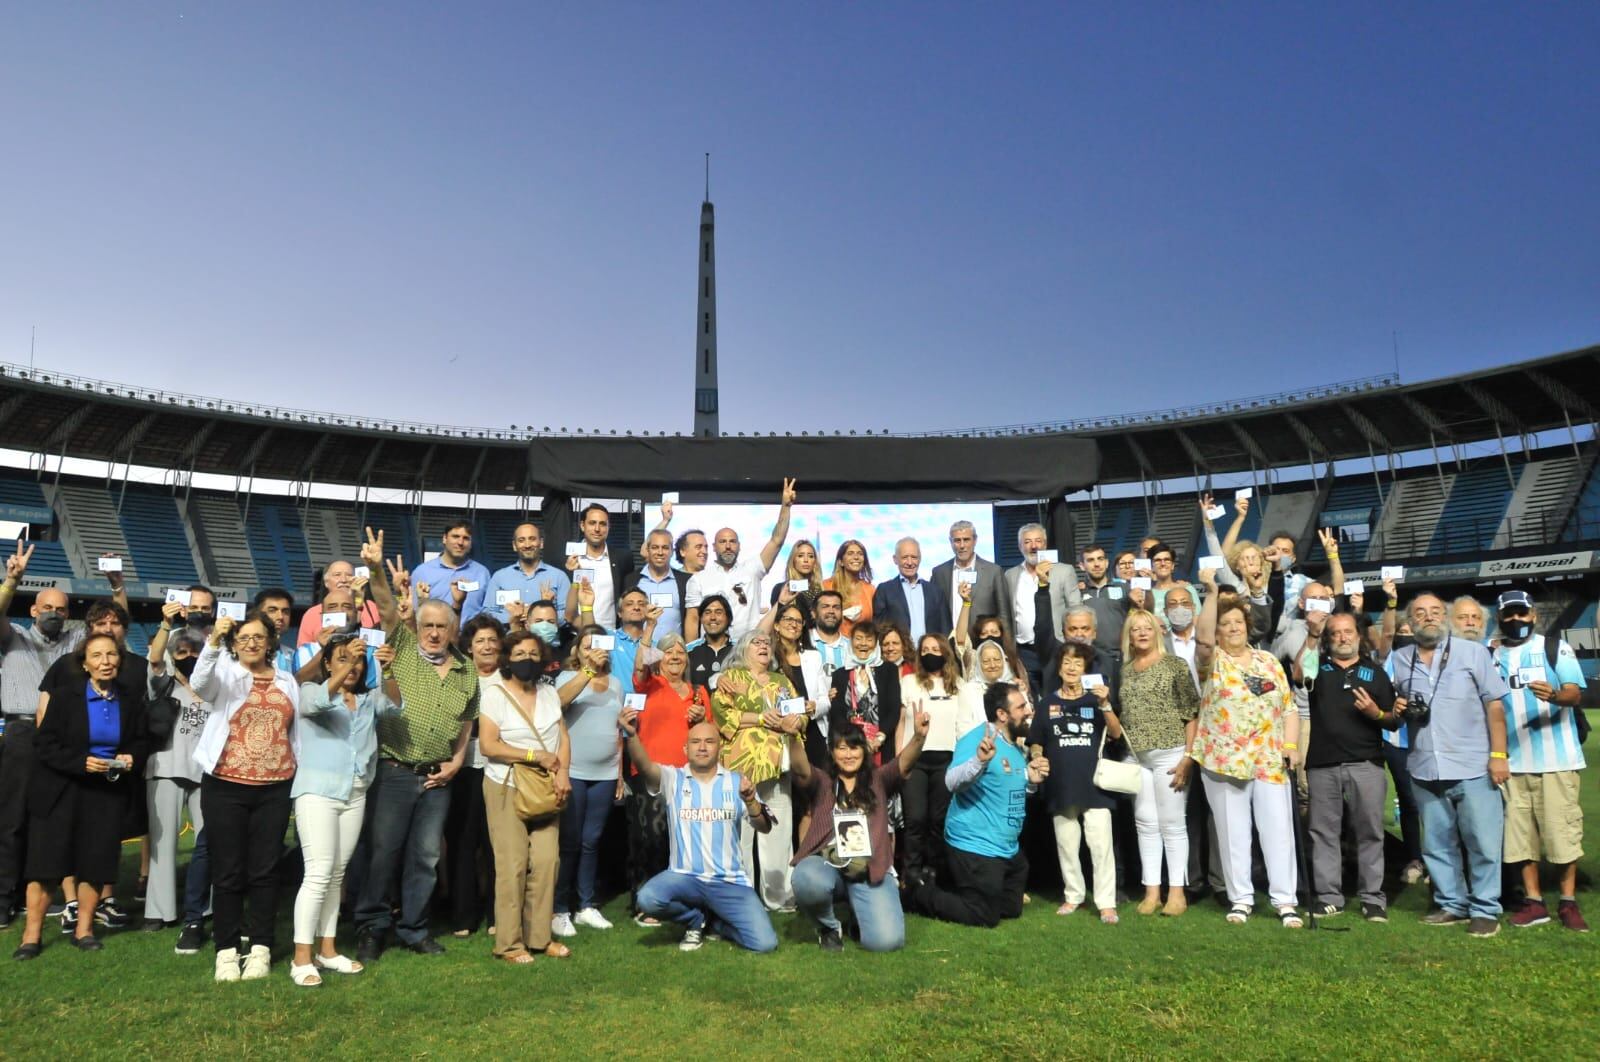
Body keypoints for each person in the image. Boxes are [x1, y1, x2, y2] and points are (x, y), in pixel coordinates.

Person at [354, 528, 479, 962]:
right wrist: (375, 568)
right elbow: (387, 606)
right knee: (384, 853)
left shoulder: (467, 669)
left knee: (425, 858)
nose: (433, 632)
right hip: (395, 772)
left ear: (452, 629)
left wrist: (458, 761)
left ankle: (414, 928)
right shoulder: (403, 647)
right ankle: (373, 925)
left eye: (441, 626)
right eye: (427, 625)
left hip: (437, 777)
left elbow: (467, 721)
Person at [11, 633, 149, 959]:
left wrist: (131, 756)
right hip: (62, 790)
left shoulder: (130, 699)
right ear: (85, 663)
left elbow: (142, 740)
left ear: (120, 659)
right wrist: (80, 762)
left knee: (95, 864)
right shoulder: (64, 697)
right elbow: (45, 745)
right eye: (97, 656)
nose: (106, 661)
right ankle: (31, 936)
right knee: (46, 866)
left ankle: (84, 930)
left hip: (106, 794)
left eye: (111, 655)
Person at [1389, 592, 1511, 937]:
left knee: (1483, 843)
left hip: (1473, 764)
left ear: (1444, 616)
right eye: (1420, 613)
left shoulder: (1473, 653)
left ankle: (1485, 909)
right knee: (1437, 845)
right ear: (1410, 623)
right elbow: (1397, 707)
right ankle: (1452, 904)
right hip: (1425, 766)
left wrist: (1498, 755)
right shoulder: (1400, 659)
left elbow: (1495, 707)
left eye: (1435, 611)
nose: (1428, 617)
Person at [1190, 567, 1302, 928]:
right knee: (1232, 832)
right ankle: (1241, 900)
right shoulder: (1212, 661)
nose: (1233, 628)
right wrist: (1210, 593)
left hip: (1269, 759)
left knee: (1278, 831)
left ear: (1247, 625)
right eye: (1227, 624)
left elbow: (1289, 707)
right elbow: (1203, 638)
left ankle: (1285, 900)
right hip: (1224, 761)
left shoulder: (1268, 661)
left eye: (1238, 622)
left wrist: (1291, 744)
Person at [191, 610, 300, 980]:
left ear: (270, 641)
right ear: (233, 644)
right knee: (228, 870)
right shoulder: (225, 674)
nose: (251, 643)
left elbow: (293, 732)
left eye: (258, 637)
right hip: (225, 785)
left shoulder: (287, 680)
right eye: (243, 638)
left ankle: (260, 947)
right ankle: (226, 949)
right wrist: (212, 644)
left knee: (265, 871)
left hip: (274, 787)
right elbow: (200, 685)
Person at [289, 635, 400, 986]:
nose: (351, 665)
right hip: (318, 793)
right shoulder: (310, 690)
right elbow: (316, 703)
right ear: (326, 664)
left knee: (338, 874)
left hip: (355, 793)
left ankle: (328, 950)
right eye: (341, 659)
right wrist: (349, 660)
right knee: (319, 873)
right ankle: (301, 958)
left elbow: (396, 705)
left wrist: (391, 669)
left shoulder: (369, 700)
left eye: (356, 660)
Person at [0, 540, 95, 929]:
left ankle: (40, 893)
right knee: (12, 818)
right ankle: (4, 897)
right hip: (21, 732)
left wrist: (118, 588)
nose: (55, 614)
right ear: (33, 610)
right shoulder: (13, 637)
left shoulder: (76, 642)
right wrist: (11, 582)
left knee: (52, 819)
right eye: (48, 609)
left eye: (62, 609)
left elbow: (113, 631)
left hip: (62, 738)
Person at [625, 713, 779, 953]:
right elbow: (645, 767)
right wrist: (632, 736)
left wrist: (751, 802)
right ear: (686, 748)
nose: (702, 747)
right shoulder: (673, 779)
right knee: (647, 899)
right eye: (696, 742)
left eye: (709, 741)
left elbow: (764, 827)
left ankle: (715, 923)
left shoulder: (737, 782)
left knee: (765, 944)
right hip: (684, 877)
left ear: (720, 747)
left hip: (729, 881)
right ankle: (694, 919)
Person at [906, 682, 1049, 926]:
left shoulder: (1014, 747)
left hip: (1007, 850)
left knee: (1010, 909)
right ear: (1002, 715)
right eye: (1022, 706)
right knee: (983, 915)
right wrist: (979, 761)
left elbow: (1006, 791)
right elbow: (951, 782)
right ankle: (916, 894)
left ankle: (953, 885)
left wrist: (1031, 782)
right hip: (974, 845)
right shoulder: (976, 739)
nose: (1028, 711)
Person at [790, 709, 931, 952]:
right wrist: (791, 737)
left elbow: (904, 763)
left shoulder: (879, 779)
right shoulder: (823, 782)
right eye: (841, 748)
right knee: (805, 878)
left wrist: (919, 736)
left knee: (886, 942)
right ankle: (829, 928)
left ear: (863, 750)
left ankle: (860, 916)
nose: (848, 754)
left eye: (854, 748)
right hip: (829, 865)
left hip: (869, 868)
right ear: (832, 753)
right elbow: (802, 769)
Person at [1491, 590, 1587, 931]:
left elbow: (1576, 692)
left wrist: (1557, 695)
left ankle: (1568, 901)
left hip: (1556, 760)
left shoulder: (1553, 647)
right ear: (1500, 618)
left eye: (1522, 613)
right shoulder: (1493, 655)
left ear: (1533, 616)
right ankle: (1534, 902)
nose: (1516, 619)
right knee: (1521, 840)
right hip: (1512, 764)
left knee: (1562, 836)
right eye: (1509, 614)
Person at [478, 630, 573, 963]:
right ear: (507, 658)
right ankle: (508, 944)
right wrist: (535, 756)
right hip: (506, 784)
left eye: (533, 654)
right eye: (519, 654)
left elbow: (562, 738)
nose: (527, 660)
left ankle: (539, 938)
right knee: (512, 865)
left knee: (548, 862)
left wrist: (562, 772)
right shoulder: (494, 694)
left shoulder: (549, 693)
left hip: (546, 787)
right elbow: (488, 745)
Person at [1301, 611, 1399, 923]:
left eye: (1347, 632)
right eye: (1336, 633)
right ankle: (1330, 897)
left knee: (1370, 832)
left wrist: (1375, 713)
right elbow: (1298, 672)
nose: (1342, 638)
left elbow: (1393, 720)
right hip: (1322, 764)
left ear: (1358, 636)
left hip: (1365, 763)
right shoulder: (1319, 669)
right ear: (1329, 639)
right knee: (1323, 833)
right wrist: (1313, 634)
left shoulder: (1375, 673)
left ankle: (1373, 899)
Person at [1029, 643, 1122, 923]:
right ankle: (1073, 896)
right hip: (1061, 785)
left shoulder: (1096, 701)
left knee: (1101, 845)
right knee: (1067, 845)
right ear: (1059, 668)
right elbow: (1036, 740)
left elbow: (1116, 733)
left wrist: (1105, 704)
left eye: (1077, 664)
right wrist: (1037, 758)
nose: (1071, 668)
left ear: (1086, 670)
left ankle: (1106, 902)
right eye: (1066, 662)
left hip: (1095, 785)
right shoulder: (1047, 703)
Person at [1116, 608, 1200, 916]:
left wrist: (1188, 757)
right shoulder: (1124, 671)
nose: (1141, 633)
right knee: (1146, 824)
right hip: (1136, 757)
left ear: (1157, 632)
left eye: (1146, 628)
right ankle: (1152, 892)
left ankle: (1176, 893)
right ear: (1129, 635)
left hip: (1171, 752)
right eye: (1135, 629)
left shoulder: (1175, 665)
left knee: (1173, 824)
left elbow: (1191, 713)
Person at [710, 630, 801, 911]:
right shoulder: (731, 678)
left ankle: (780, 896)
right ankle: (741, 896)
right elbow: (722, 713)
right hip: (740, 764)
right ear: (743, 650)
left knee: (780, 828)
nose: (763, 646)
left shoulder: (781, 680)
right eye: (756, 643)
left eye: (767, 643)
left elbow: (797, 713)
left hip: (777, 765)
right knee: (741, 831)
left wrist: (796, 721)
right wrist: (762, 718)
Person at [626, 633, 708, 924]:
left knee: (682, 841)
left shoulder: (698, 691)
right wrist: (649, 630)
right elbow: (639, 666)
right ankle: (644, 903)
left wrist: (701, 720)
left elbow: (709, 734)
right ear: (658, 658)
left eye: (680, 652)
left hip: (688, 776)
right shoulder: (649, 684)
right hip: (652, 772)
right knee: (650, 839)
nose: (675, 656)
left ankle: (676, 899)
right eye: (668, 652)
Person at [551, 625, 625, 935]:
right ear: (578, 651)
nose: (594, 651)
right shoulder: (568, 678)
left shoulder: (617, 684)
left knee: (592, 841)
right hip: (574, 771)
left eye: (599, 646)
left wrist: (619, 774)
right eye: (587, 646)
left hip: (606, 773)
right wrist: (588, 671)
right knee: (569, 842)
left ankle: (586, 906)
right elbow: (556, 703)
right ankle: (559, 909)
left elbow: (617, 731)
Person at [142, 617, 210, 933]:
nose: (188, 656)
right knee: (163, 842)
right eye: (180, 651)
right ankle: (159, 911)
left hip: (206, 771)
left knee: (208, 842)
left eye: (193, 650)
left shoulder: (212, 684)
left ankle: (205, 907)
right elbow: (155, 658)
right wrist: (166, 625)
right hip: (166, 767)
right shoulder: (163, 679)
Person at [897, 632, 975, 884]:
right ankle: (911, 874)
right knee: (915, 819)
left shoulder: (959, 686)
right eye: (925, 649)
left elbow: (965, 725)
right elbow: (900, 722)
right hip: (915, 760)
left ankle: (934, 874)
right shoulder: (909, 682)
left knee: (938, 820)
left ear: (945, 652)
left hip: (947, 760)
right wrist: (900, 759)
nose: (930, 653)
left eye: (935, 648)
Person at [444, 614, 504, 938]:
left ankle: (497, 914)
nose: (487, 645)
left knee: (495, 843)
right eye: (480, 640)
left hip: (500, 770)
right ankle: (463, 916)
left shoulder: (508, 679)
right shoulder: (459, 676)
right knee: (462, 843)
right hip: (464, 767)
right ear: (469, 646)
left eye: (493, 640)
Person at [684, 481, 796, 640]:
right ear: (714, 547)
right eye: (722, 542)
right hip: (712, 651)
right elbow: (693, 619)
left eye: (732, 542)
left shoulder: (753, 569)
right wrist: (692, 655)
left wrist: (786, 507)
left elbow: (776, 540)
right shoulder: (698, 579)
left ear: (739, 546)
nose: (728, 546)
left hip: (749, 650)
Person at [1005, 523, 1080, 690]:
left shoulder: (1064, 571)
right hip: (1023, 651)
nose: (1033, 546)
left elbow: (1075, 609)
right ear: (1020, 546)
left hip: (1056, 647)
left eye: (1038, 541)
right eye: (1027, 542)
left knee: (1056, 698)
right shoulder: (1010, 575)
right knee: (1030, 700)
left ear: (1045, 544)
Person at [828, 622, 903, 766]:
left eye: (869, 639)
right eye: (859, 638)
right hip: (849, 747)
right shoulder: (839, 674)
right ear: (851, 642)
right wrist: (854, 741)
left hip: (880, 745)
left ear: (875, 643)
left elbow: (894, 710)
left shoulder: (888, 670)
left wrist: (879, 738)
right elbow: (837, 713)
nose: (863, 643)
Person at [767, 599, 828, 767]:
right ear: (777, 625)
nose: (793, 624)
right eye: (788, 619)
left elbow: (825, 699)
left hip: (812, 730)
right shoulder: (767, 658)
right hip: (779, 731)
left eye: (798, 621)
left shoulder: (813, 657)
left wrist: (814, 706)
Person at [931, 520, 1013, 642]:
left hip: (984, 645)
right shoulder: (939, 573)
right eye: (957, 540)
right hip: (949, 645)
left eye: (966, 539)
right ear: (951, 542)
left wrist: (1007, 648)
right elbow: (934, 613)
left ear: (975, 540)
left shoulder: (993, 571)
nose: (962, 545)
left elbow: (1004, 615)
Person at [484, 522, 572, 626]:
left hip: (546, 641)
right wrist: (514, 617)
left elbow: (568, 615)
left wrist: (535, 615)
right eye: (521, 540)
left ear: (541, 543)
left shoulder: (559, 577)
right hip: (509, 639)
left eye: (532, 539)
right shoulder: (499, 577)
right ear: (514, 546)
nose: (527, 545)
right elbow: (487, 613)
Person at [412, 520, 493, 623]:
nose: (460, 542)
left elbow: (488, 612)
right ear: (444, 539)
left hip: (469, 637)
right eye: (455, 536)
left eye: (466, 538)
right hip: (435, 636)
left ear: (471, 543)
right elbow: (412, 611)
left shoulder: (482, 573)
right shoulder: (422, 572)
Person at [875, 538, 950, 649]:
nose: (910, 563)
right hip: (898, 657)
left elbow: (945, 628)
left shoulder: (935, 591)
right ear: (895, 559)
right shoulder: (885, 590)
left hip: (929, 657)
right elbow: (878, 627)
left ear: (920, 559)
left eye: (914, 557)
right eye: (905, 557)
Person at [624, 528, 690, 642]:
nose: (660, 552)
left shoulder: (685, 581)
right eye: (655, 547)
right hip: (638, 652)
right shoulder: (631, 580)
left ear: (672, 551)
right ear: (647, 550)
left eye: (665, 548)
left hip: (673, 654)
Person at [297, 560, 381, 648]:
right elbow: (303, 652)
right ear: (326, 582)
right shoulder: (312, 613)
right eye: (337, 575)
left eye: (349, 575)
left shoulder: (371, 607)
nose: (344, 580)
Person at [1078, 544, 1129, 658]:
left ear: (1106, 563)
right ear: (1082, 566)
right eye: (1090, 560)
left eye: (1100, 559)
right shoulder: (1077, 592)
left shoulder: (1124, 587)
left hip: (1122, 656)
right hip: (1090, 657)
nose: (1097, 564)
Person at [822, 539, 875, 639]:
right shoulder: (826, 586)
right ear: (841, 561)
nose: (856, 557)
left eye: (860, 554)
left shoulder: (870, 590)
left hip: (862, 648)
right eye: (850, 553)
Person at [768, 539, 823, 627]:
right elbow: (775, 621)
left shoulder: (821, 590)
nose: (806, 560)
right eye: (800, 556)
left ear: (815, 562)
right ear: (793, 560)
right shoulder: (781, 589)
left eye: (810, 556)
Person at [686, 594, 735, 690]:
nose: (713, 617)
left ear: (728, 618)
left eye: (718, 612)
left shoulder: (740, 650)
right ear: (701, 619)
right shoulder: (687, 651)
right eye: (707, 612)